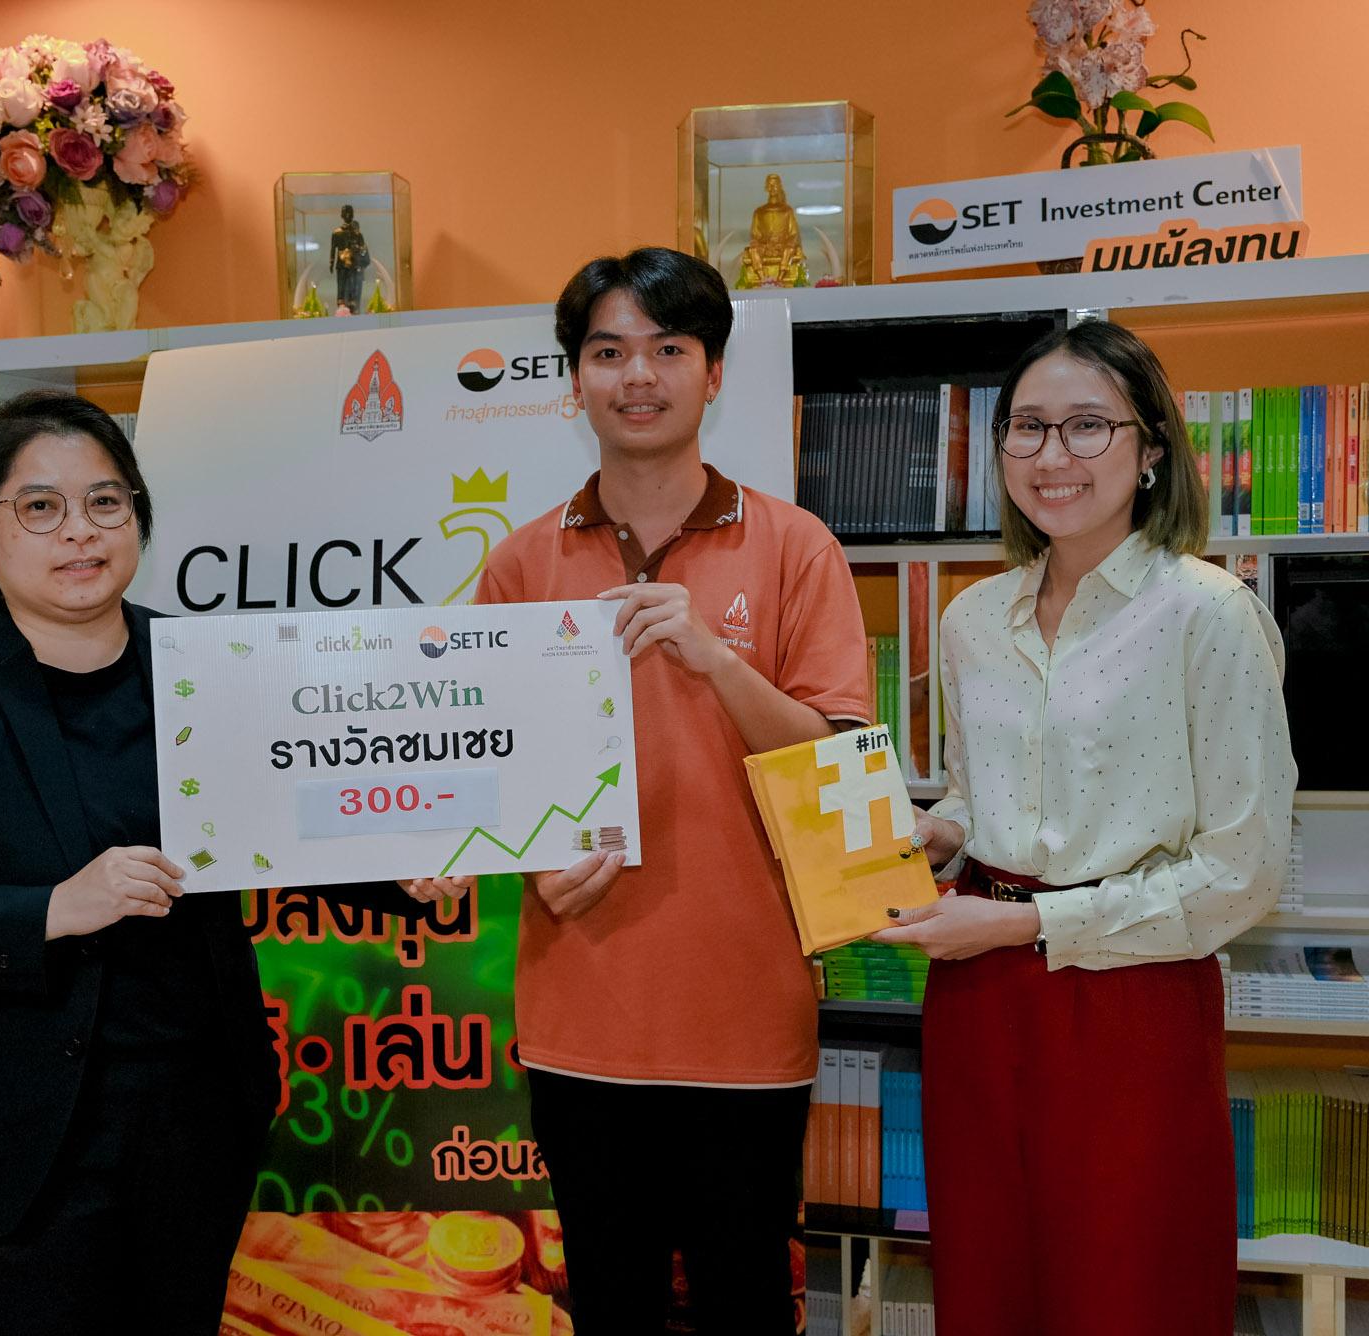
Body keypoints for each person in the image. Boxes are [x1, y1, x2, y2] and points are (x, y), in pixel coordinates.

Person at [0, 389, 396, 1335]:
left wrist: (414, 869)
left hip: (193, 1125)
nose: (80, 531)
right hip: (13, 1146)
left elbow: (289, 817)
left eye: (105, 501)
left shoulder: (206, 663)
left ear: (137, 516)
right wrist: (52, 908)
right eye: (40, 507)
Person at [409, 246, 871, 1333]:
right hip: (582, 1011)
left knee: (745, 1302)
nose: (638, 377)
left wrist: (716, 659)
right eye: (608, 352)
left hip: (745, 1009)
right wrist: (510, 858)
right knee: (610, 1305)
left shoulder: (795, 546)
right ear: (574, 381)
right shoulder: (522, 562)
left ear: (714, 373)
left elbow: (838, 767)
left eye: (668, 349)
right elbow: (482, 767)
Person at [875, 320, 1296, 1335]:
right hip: (976, 997)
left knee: (1127, 1287)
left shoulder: (1210, 614)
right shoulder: (973, 619)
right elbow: (981, 794)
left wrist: (1027, 924)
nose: (1051, 455)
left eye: (1086, 426)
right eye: (1026, 427)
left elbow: (1241, 872)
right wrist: (944, 832)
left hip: (1129, 1002)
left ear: (1150, 449)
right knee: (988, 1279)